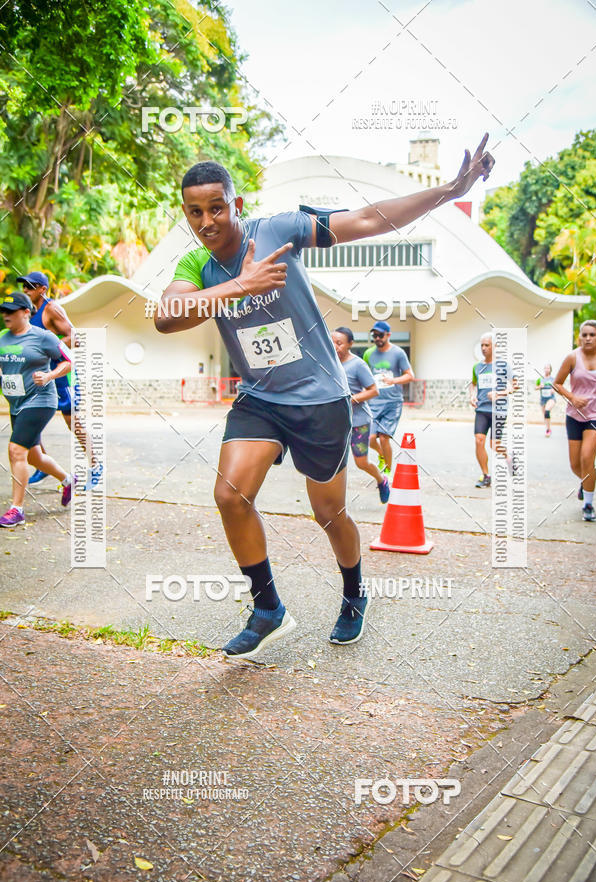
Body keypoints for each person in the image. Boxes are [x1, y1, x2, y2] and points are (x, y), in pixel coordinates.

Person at [155, 135, 494, 660]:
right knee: (230, 496)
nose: (206, 221)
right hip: (260, 398)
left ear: (235, 204)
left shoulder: (278, 230)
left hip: (320, 398)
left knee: (329, 513)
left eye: (216, 208)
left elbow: (368, 219)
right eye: (194, 212)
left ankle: (355, 593)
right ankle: (268, 609)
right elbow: (166, 316)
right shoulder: (195, 265)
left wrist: (449, 191)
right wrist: (241, 286)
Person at [16, 271, 100, 489]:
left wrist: (50, 346)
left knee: (73, 422)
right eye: (24, 286)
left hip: (62, 375)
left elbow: (76, 337)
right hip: (40, 376)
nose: (25, 290)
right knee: (30, 419)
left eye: (30, 286)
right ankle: (43, 466)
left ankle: (95, 466)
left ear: (42, 289)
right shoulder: (28, 312)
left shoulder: (51, 308)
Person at [0, 292, 74, 527]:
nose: (6, 315)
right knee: (33, 456)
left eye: (11, 311)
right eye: (3, 311)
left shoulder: (44, 337)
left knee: (15, 450)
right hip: (17, 403)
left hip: (40, 400)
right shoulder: (2, 338)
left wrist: (50, 375)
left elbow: (68, 360)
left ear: (26, 312)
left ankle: (17, 509)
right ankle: (68, 480)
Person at [331, 327, 390, 503]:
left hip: (359, 422)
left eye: (339, 343)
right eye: (332, 342)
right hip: (336, 423)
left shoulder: (358, 365)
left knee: (361, 462)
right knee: (333, 461)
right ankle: (331, 501)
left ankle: (381, 480)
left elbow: (373, 390)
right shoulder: (329, 362)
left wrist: (350, 400)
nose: (335, 346)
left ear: (350, 344)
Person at [553, 320, 596, 522]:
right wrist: (572, 397)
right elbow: (557, 383)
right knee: (575, 464)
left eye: (592, 335)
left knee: (587, 458)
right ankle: (586, 482)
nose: (587, 338)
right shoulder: (572, 357)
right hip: (574, 416)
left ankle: (588, 504)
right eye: (584, 335)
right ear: (579, 337)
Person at [364, 322, 414, 474]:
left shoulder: (398, 353)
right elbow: (365, 375)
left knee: (384, 438)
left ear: (388, 335)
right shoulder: (368, 354)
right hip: (374, 402)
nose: (377, 338)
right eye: (374, 335)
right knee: (370, 438)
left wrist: (393, 380)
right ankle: (382, 456)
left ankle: (387, 472)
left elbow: (410, 376)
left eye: (380, 335)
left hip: (393, 402)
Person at [469, 332, 515, 487]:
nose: (483, 348)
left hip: (499, 410)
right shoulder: (477, 367)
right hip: (482, 409)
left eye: (487, 345)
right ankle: (486, 475)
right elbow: (473, 384)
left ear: (495, 346)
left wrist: (499, 393)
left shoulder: (503, 366)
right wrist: (472, 396)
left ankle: (508, 457)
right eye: (482, 345)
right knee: (479, 440)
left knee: (494, 445)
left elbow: (514, 385)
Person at [535, 363, 556, 436]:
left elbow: (557, 387)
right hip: (543, 399)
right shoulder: (540, 379)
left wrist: (553, 389)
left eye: (548, 368)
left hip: (551, 398)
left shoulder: (553, 379)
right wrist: (540, 386)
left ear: (550, 370)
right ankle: (548, 429)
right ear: (544, 369)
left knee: (547, 411)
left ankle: (548, 430)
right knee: (545, 415)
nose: (547, 369)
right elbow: (535, 387)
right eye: (545, 368)